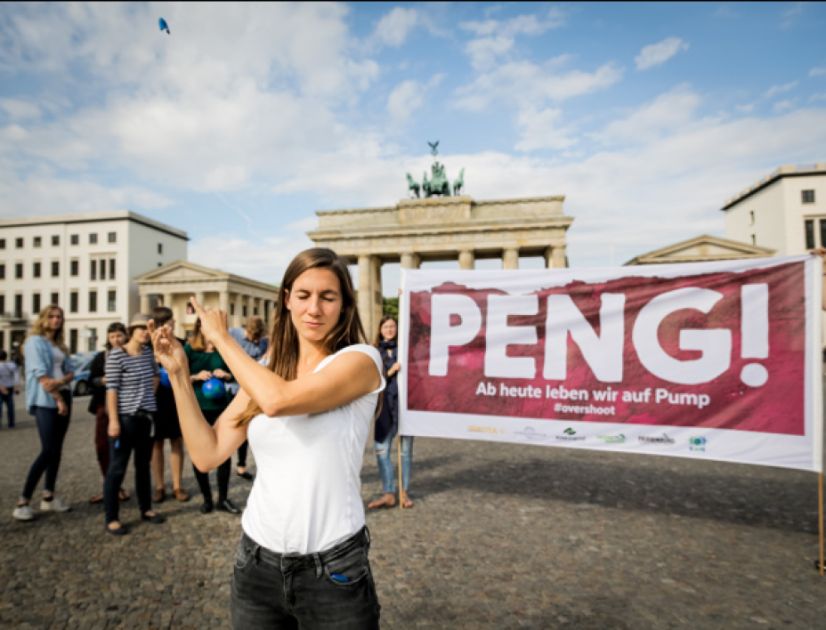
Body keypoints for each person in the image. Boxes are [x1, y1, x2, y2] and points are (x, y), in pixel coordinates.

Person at [150, 247, 384, 628]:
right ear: (287, 299)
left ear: (344, 305)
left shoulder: (361, 361)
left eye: (328, 297)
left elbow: (278, 401)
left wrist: (222, 339)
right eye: (304, 295)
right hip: (256, 564)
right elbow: (207, 454)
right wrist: (178, 374)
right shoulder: (264, 372)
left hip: (334, 571)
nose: (315, 309)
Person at [102, 313, 165, 535]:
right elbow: (111, 390)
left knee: (142, 466)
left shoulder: (148, 354)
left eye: (149, 329)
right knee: (117, 469)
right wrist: (113, 421)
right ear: (132, 330)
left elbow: (156, 376)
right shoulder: (116, 356)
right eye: (141, 329)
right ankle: (112, 517)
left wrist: (146, 396)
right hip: (125, 419)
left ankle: (146, 509)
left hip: (145, 417)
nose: (146, 333)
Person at [12, 305, 75, 521]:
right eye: (52, 316)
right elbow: (43, 378)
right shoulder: (34, 342)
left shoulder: (60, 345)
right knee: (47, 450)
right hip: (46, 400)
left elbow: (70, 372)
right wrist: (59, 398)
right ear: (43, 319)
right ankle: (23, 500)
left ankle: (48, 496)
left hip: (65, 395)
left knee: (56, 450)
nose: (56, 320)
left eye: (59, 316)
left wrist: (63, 385)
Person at [185, 318, 239, 515]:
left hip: (221, 407)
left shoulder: (223, 347)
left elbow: (236, 373)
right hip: (198, 408)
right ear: (200, 327)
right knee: (200, 454)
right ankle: (207, 498)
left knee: (224, 454)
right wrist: (196, 376)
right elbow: (179, 376)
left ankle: (222, 499)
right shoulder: (190, 349)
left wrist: (225, 374)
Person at [367, 315, 414, 510]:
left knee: (405, 452)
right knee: (382, 450)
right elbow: (371, 379)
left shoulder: (405, 351)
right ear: (380, 329)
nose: (389, 329)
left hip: (404, 404)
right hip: (384, 406)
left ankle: (403, 491)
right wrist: (391, 372)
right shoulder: (374, 352)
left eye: (393, 326)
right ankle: (389, 492)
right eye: (386, 326)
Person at [87, 322, 131, 504]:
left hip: (126, 407)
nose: (116, 340)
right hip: (103, 407)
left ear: (125, 336)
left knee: (120, 450)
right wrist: (103, 380)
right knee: (102, 447)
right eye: (112, 336)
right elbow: (91, 381)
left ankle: (116, 487)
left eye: (119, 336)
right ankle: (109, 486)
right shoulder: (101, 358)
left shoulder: (131, 355)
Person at [150, 306, 189, 503]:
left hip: (176, 398)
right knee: (156, 444)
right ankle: (159, 486)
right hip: (155, 399)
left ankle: (177, 485)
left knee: (176, 441)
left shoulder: (181, 344)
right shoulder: (149, 346)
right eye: (169, 322)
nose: (172, 325)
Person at [228, 315, 268, 481]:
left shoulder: (264, 342)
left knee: (253, 428)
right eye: (251, 337)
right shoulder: (234, 334)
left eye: (256, 338)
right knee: (236, 427)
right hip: (234, 387)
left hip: (254, 390)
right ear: (247, 330)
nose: (253, 340)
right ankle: (234, 462)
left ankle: (246, 465)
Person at [0, 349, 21, 428]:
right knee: (10, 406)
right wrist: (16, 387)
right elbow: (16, 376)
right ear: (6, 356)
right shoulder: (12, 365)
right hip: (9, 387)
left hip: (0, 388)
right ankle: (11, 423)